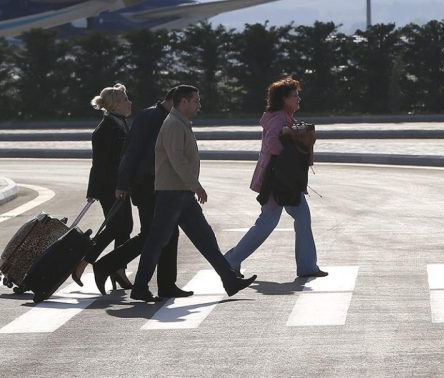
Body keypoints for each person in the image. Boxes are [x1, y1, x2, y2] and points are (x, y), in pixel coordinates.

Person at [129, 85, 256, 303]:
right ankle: (140, 288)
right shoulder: (174, 125)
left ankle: (229, 280)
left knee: (205, 238)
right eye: (196, 100)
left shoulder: (180, 123)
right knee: (156, 241)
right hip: (172, 193)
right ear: (183, 102)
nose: (199, 104)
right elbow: (177, 160)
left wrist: (191, 186)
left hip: (181, 193)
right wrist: (196, 185)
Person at [91, 87, 190, 298]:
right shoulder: (150, 117)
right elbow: (130, 153)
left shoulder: (167, 118)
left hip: (162, 185)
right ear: (175, 100)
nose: (194, 107)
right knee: (152, 235)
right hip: (146, 186)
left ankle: (166, 285)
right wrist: (123, 184)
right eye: (192, 102)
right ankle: (108, 267)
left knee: (167, 233)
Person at [224, 77, 326, 278]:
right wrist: (291, 155)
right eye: (294, 96)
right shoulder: (279, 118)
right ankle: (230, 260)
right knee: (267, 222)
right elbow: (272, 143)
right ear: (283, 99)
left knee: (302, 217)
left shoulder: (283, 117)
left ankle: (307, 266)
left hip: (286, 181)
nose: (298, 99)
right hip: (277, 181)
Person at [72, 83, 134, 288]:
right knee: (117, 227)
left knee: (124, 228)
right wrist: (93, 191)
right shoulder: (105, 129)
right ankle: (85, 262)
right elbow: (99, 163)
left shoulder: (121, 123)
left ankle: (118, 269)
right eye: (126, 99)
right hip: (111, 188)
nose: (130, 102)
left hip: (122, 186)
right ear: (116, 104)